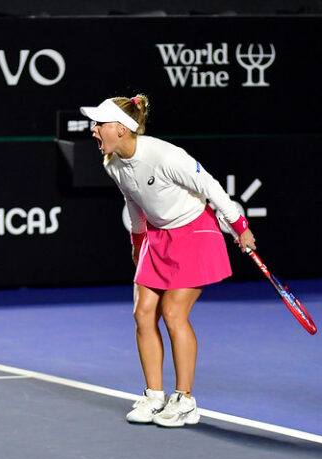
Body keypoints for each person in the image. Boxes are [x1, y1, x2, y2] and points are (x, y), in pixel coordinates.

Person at [80, 94, 256, 427]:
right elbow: (133, 201)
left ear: (120, 128)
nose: (94, 130)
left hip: (194, 232)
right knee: (143, 312)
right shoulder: (113, 163)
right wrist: (137, 241)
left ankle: (185, 400)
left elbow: (210, 186)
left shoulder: (164, 155)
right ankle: (153, 396)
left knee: (174, 313)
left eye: (99, 124)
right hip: (157, 237)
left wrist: (239, 226)